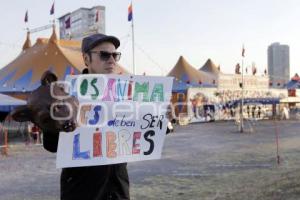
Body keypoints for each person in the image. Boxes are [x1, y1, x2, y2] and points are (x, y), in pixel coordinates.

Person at [44, 34, 130, 200]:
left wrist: (161, 122)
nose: (112, 60)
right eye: (104, 55)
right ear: (86, 59)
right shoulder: (66, 93)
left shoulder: (127, 94)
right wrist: (56, 124)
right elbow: (51, 145)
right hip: (82, 190)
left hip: (118, 189)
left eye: (115, 55)